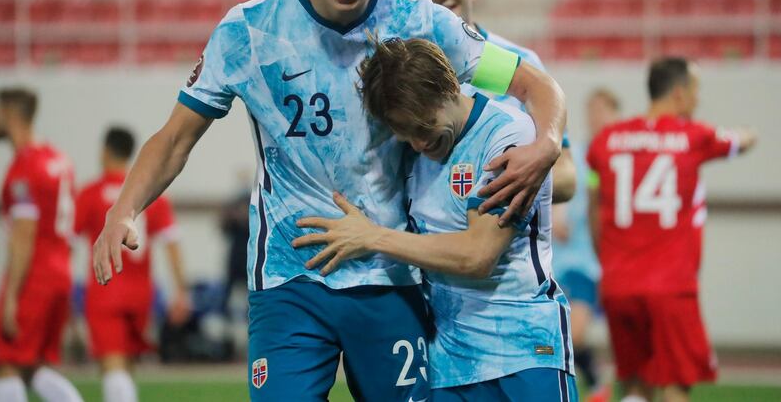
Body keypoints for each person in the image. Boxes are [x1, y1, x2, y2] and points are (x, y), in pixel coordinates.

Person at [92, 0, 567, 401]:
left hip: (391, 275)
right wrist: (125, 208)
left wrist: (547, 141)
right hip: (290, 277)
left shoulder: (423, 22)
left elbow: (532, 83)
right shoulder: (248, 31)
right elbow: (175, 137)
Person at [293, 36, 577, 401]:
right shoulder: (412, 151)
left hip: (524, 352)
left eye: (424, 128)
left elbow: (477, 256)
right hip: (449, 361)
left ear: (449, 88)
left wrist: (372, 237)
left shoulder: (508, 137)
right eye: (406, 134)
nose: (417, 144)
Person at [587, 58, 757, 402]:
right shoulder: (693, 136)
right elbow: (742, 140)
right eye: (696, 92)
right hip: (671, 287)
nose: (698, 101)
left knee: (634, 386)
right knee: (675, 387)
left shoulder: (607, 139)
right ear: (679, 94)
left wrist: (607, 262)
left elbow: (594, 208)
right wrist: (750, 134)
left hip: (619, 284)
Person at [406, 0, 576, 203]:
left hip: (496, 234)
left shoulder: (522, 65)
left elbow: (567, 177)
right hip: (421, 237)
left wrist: (504, 184)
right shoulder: (402, 67)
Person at [74, 127, 190, 402]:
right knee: (126, 366)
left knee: (112, 367)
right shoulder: (149, 194)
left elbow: (68, 241)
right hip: (141, 293)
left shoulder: (91, 193)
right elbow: (171, 242)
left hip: (105, 288)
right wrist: (181, 291)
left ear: (105, 150)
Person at [0, 87, 83, 402]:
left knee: (5, 364)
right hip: (60, 273)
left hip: (35, 277)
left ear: (9, 114)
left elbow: (23, 235)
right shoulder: (59, 159)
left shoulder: (24, 167)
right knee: (35, 366)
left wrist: (12, 296)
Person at [552, 88, 621, 396]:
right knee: (561, 336)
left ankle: (597, 381)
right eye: (591, 110)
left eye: (602, 111)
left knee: (574, 333)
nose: (596, 117)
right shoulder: (578, 155)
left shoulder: (620, 158)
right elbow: (560, 190)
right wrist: (555, 219)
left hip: (592, 264)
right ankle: (594, 383)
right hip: (561, 259)